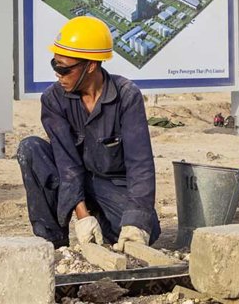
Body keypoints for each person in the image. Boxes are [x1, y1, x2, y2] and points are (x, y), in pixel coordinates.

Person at [17, 16, 160, 249]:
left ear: (91, 65)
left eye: (64, 69)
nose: (58, 74)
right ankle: (53, 242)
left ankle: (107, 226)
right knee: (30, 149)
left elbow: (140, 164)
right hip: (71, 179)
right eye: (55, 65)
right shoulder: (53, 100)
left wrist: (135, 223)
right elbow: (66, 164)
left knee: (146, 229)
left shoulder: (126, 96)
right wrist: (83, 217)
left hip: (108, 185)